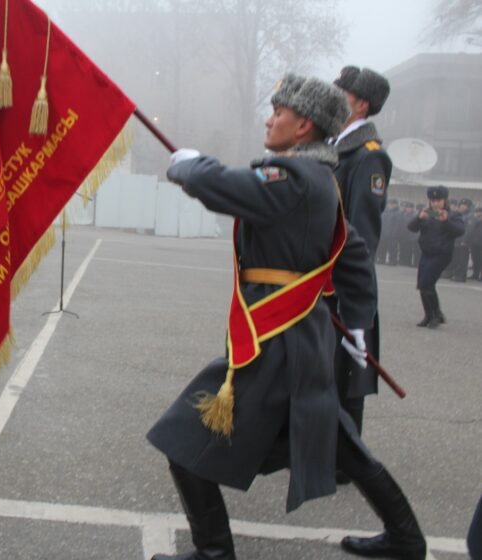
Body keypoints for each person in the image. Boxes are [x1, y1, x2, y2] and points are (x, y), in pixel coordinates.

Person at [147, 74, 426, 560]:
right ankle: (407, 538)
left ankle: (214, 553)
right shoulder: (321, 180)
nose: (269, 119)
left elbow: (226, 188)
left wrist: (192, 167)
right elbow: (354, 255)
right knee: (339, 442)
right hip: (303, 335)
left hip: (276, 341)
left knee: (184, 441)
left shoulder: (294, 177)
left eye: (277, 112)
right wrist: (357, 324)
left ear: (303, 126)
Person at [329, 66, 392, 448]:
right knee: (324, 368)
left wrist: (348, 285)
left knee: (346, 373)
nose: (336, 95)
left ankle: (346, 458)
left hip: (343, 280)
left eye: (343, 92)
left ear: (361, 103)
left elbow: (363, 233)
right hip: (321, 276)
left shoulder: (368, 156)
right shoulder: (336, 146)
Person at [407, 186, 465, 328]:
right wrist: (418, 218)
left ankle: (436, 315)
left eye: (438, 200)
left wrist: (446, 221)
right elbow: (411, 227)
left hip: (441, 254)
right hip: (427, 253)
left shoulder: (453, 215)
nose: (435, 204)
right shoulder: (426, 213)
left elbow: (460, 231)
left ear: (445, 200)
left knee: (427, 283)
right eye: (433, 201)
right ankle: (429, 315)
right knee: (422, 285)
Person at [450, 198, 474, 282]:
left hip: (464, 241)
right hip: (457, 239)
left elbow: (469, 230)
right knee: (457, 258)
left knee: (463, 259)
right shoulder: (460, 215)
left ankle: (462, 276)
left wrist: (465, 240)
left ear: (469, 207)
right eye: (462, 205)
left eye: (465, 206)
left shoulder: (470, 216)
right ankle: (456, 273)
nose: (463, 207)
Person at [378, 199, 401, 265]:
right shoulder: (386, 211)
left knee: (392, 249)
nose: (390, 205)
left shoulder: (398, 213)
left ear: (396, 205)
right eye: (390, 204)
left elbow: (397, 224)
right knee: (382, 247)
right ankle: (381, 259)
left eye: (392, 204)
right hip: (384, 234)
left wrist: (394, 233)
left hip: (392, 235)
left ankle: (393, 261)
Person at [469, 206, 482, 281]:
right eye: (477, 212)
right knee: (475, 259)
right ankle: (475, 274)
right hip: (474, 243)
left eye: (479, 212)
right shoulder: (474, 221)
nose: (478, 213)